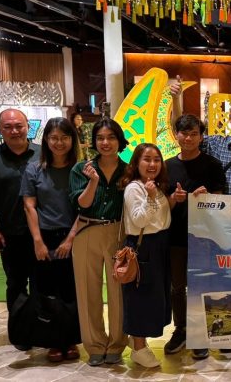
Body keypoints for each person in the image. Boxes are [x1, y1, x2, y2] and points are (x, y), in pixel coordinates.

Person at [0, 108, 40, 352]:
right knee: (16, 285)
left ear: (28, 127)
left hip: (43, 233)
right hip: (10, 234)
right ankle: (21, 333)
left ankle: (43, 330)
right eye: (8, 127)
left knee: (42, 283)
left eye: (19, 126)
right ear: (0, 130)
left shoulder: (42, 153)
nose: (14, 131)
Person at [163, 114, 227, 360]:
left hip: (205, 237)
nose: (188, 138)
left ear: (201, 137)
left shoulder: (213, 165)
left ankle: (200, 333)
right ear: (176, 135)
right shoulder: (167, 166)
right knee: (177, 287)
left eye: (194, 134)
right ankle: (181, 329)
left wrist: (206, 197)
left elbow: (220, 201)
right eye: (184, 133)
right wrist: (174, 198)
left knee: (202, 286)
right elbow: (162, 205)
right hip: (175, 236)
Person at [20, 117, 82, 363]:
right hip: (43, 236)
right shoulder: (34, 169)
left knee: (71, 290)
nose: (59, 143)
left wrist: (70, 239)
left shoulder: (80, 169)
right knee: (46, 290)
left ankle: (71, 340)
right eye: (54, 137)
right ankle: (53, 342)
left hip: (74, 235)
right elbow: (29, 206)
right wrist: (38, 241)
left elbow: (85, 208)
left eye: (64, 137)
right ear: (46, 139)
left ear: (72, 140)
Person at [69, 118, 130, 366]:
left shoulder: (129, 170)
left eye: (111, 137)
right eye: (100, 138)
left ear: (120, 141)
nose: (105, 142)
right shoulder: (81, 169)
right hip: (87, 231)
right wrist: (93, 181)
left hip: (118, 232)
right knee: (88, 290)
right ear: (94, 141)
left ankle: (117, 343)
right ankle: (94, 345)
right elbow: (82, 204)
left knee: (119, 291)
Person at [119, 143, 174, 369]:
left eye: (156, 160)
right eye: (147, 159)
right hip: (143, 247)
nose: (152, 164)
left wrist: (172, 199)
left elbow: (159, 218)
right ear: (136, 163)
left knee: (154, 296)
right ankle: (139, 348)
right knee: (140, 297)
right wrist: (151, 197)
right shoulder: (134, 188)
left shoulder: (155, 186)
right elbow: (140, 220)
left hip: (159, 245)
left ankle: (139, 342)